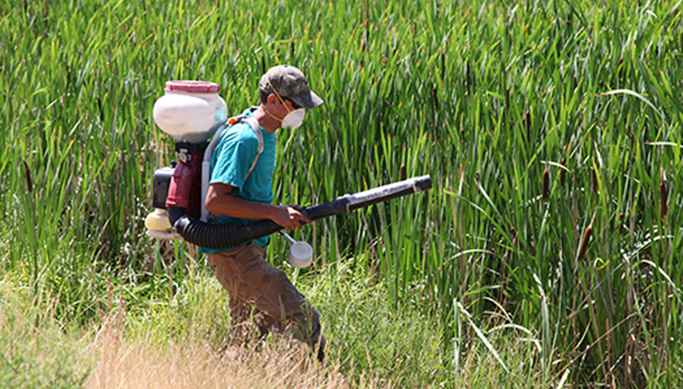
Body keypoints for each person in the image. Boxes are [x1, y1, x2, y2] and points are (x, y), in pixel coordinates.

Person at [201, 65, 325, 361]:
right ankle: (321, 379)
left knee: (246, 338)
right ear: (272, 102)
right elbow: (215, 201)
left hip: (246, 250)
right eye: (295, 105)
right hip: (234, 253)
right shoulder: (244, 139)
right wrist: (273, 212)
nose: (300, 111)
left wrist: (278, 214)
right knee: (303, 318)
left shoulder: (266, 132)